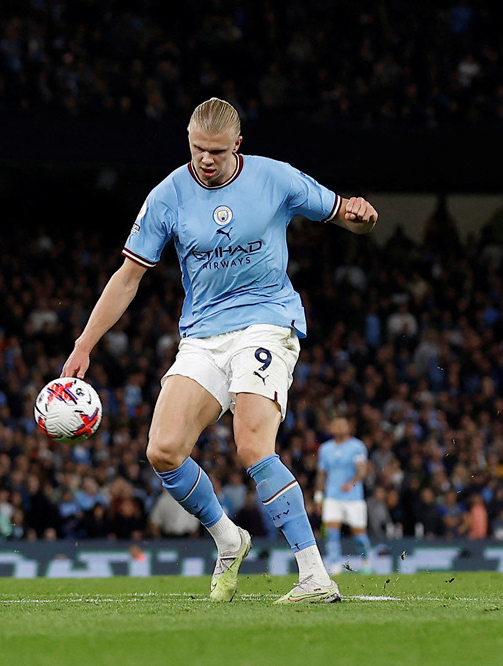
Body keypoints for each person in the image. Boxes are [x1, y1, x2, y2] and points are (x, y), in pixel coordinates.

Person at [62, 98, 378, 604]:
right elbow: (128, 278)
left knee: (253, 445)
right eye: (195, 149)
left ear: (237, 145)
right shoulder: (167, 196)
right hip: (203, 335)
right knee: (162, 450)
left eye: (214, 151)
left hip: (266, 323)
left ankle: (315, 575)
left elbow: (344, 214)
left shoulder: (276, 179)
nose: (204, 160)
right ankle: (229, 539)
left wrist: (360, 215)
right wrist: (84, 343)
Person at [315, 417, 373, 574]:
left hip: (353, 497)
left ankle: (366, 561)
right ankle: (334, 565)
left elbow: (362, 470)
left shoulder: (357, 446)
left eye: (342, 424)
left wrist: (351, 484)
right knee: (332, 532)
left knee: (359, 535)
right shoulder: (325, 449)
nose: (338, 427)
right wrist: (319, 496)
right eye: (335, 424)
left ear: (348, 427)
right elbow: (321, 474)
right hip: (332, 496)